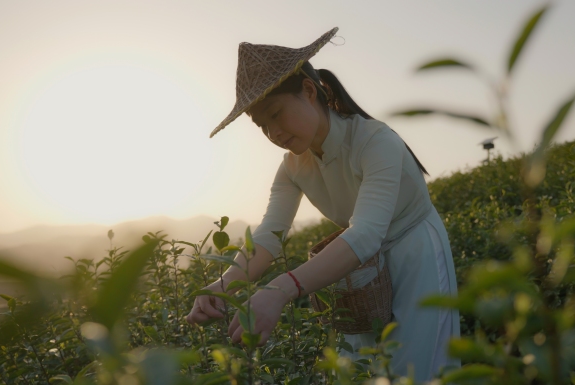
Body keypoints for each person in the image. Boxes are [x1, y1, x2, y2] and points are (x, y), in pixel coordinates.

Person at [185, 27, 460, 381]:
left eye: (276, 114)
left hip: (414, 250)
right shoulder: (293, 166)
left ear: (309, 90)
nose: (273, 133)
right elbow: (269, 236)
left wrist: (279, 290)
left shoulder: (376, 142)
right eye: (261, 125)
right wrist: (222, 286)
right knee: (361, 370)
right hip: (357, 268)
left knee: (420, 368)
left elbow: (365, 234)